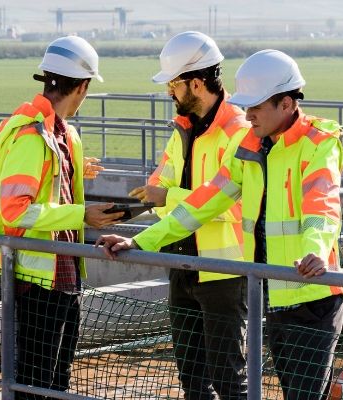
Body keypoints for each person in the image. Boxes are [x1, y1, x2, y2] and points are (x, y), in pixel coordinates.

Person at [97, 49, 343, 400]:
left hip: (313, 296)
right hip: (271, 294)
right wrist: (141, 242)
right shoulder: (251, 146)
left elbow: (321, 204)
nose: (248, 115)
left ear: (287, 104)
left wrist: (314, 253)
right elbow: (204, 201)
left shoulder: (318, 144)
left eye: (257, 108)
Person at [0, 36, 123, 399]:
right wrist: (82, 215)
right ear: (82, 87)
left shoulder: (60, 134)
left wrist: (75, 168)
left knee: (56, 379)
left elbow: (46, 181)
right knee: (36, 382)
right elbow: (16, 209)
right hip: (38, 279)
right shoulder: (32, 137)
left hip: (59, 274)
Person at [132, 31, 250, 400]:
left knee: (230, 378)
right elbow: (158, 183)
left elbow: (235, 205)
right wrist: (138, 205)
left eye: (173, 83)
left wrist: (168, 196)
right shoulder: (183, 128)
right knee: (192, 380)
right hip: (181, 264)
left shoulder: (239, 131)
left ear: (196, 83)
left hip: (223, 272)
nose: (169, 91)